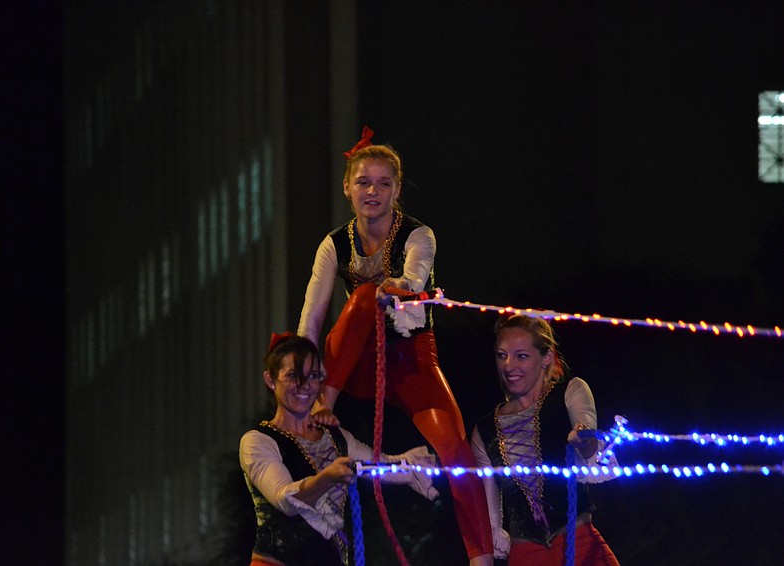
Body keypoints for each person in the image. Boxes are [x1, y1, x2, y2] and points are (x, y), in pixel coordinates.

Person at [297, 126, 494, 565]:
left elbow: (415, 276)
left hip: (412, 358)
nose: (373, 192)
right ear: (347, 187)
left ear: (397, 190)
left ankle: (481, 558)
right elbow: (312, 315)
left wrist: (402, 286)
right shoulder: (334, 245)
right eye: (363, 182)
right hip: (358, 363)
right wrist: (305, 378)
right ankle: (324, 401)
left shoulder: (419, 235)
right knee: (363, 297)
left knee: (457, 451)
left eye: (383, 184)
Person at [239, 332, 439, 566]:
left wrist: (434, 464)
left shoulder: (337, 437)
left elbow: (384, 466)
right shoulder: (258, 441)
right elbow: (285, 500)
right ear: (271, 380)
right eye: (293, 375)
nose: (304, 385)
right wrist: (328, 477)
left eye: (312, 376)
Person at [470, 314, 620, 566]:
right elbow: (488, 517)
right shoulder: (484, 431)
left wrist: (582, 438)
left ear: (546, 357)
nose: (508, 365)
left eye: (521, 356)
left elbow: (590, 441)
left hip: (579, 544)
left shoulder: (570, 392)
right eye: (501, 355)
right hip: (525, 557)